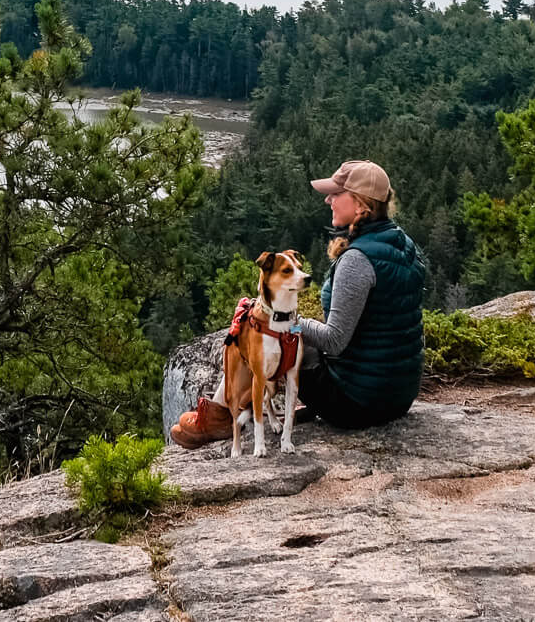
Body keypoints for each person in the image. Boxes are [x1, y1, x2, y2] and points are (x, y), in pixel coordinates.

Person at [170, 159, 424, 447]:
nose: (328, 200)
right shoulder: (404, 244)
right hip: (399, 395)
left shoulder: (357, 261)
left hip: (355, 402)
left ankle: (220, 417)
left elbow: (335, 340)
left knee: (254, 327)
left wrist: (281, 319)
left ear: (361, 205)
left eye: (336, 194)